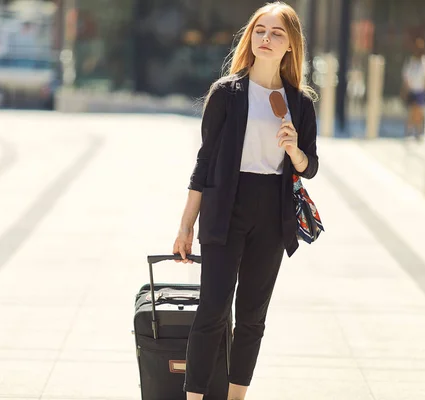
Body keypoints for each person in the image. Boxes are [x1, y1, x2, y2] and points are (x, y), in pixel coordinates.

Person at [172, 2, 319, 399]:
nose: (266, 39)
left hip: (272, 211)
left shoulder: (300, 104)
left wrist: (295, 150)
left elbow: (310, 167)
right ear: (250, 38)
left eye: (276, 33)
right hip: (225, 207)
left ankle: (237, 396)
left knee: (253, 316)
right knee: (213, 311)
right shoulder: (226, 94)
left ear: (291, 45)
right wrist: (186, 225)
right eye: (260, 31)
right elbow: (204, 163)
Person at [401, 38, 425, 141]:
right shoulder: (411, 62)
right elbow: (406, 76)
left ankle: (418, 132)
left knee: (419, 113)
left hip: (420, 91)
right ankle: (408, 132)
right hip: (412, 90)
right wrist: (405, 90)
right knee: (411, 112)